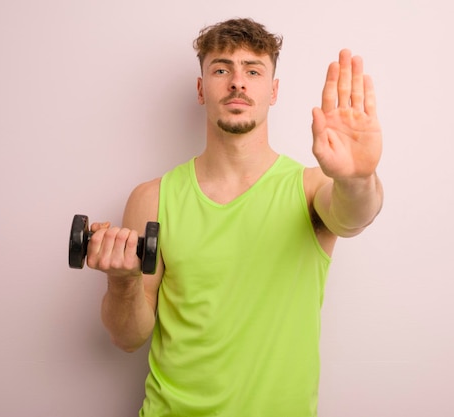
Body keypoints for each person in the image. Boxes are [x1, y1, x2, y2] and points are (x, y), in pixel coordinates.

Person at [86, 18, 383, 417]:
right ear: (201, 88)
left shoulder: (311, 188)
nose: (237, 82)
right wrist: (121, 282)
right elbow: (127, 338)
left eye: (254, 70)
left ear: (273, 91)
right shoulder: (153, 199)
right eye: (222, 69)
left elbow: (354, 215)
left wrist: (358, 177)